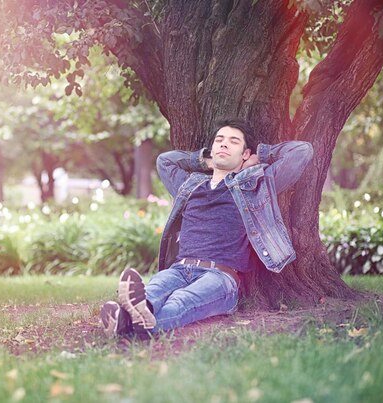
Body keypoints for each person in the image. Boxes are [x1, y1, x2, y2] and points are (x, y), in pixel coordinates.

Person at [99, 118, 313, 338]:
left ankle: (126, 323)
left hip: (220, 278)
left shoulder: (254, 186)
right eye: (219, 140)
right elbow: (165, 161)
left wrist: (260, 157)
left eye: (233, 142)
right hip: (179, 269)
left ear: (245, 153)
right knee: (154, 290)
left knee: (181, 301)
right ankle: (133, 322)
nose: (223, 144)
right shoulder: (190, 185)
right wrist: (206, 162)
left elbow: (301, 151)